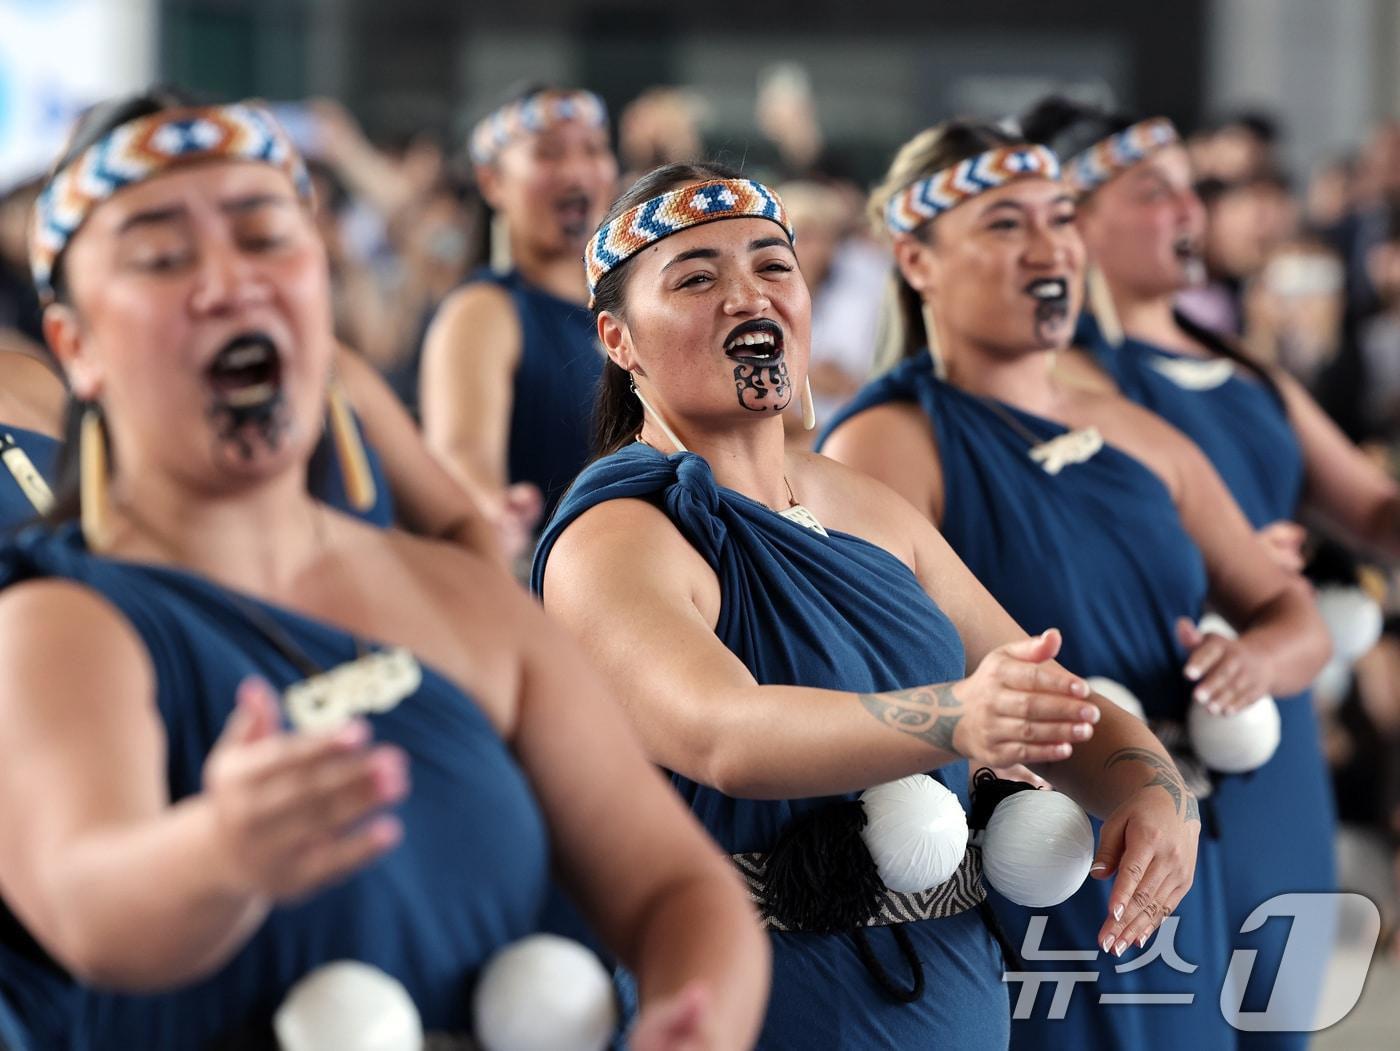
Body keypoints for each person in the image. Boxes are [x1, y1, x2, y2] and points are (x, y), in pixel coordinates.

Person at [0, 95, 769, 1050]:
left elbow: (674, 887)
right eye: (163, 257)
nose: (228, 283)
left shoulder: (459, 598)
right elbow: (88, 903)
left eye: (263, 237)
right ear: (74, 346)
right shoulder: (53, 625)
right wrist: (221, 852)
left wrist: (694, 1018)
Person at [533, 162, 1204, 1049]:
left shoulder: (858, 501)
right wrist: (957, 717)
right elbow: (724, 734)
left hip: (952, 988)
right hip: (757, 1005)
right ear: (620, 340)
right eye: (696, 277)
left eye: (773, 266)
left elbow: (1053, 699)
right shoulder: (615, 534)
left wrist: (1155, 792)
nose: (747, 296)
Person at [819, 121, 1331, 1049]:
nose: (1049, 245)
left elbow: (1293, 612)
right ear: (917, 260)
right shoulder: (885, 441)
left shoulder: (1134, 428)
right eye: (1006, 224)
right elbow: (865, 686)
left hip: (1174, 843)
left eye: (1059, 218)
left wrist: (1250, 660)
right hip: (1041, 862)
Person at [419, 85, 618, 538]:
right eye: (549, 154)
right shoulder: (483, 312)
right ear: (492, 182)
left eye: (593, 150)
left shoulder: (629, 309)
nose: (576, 171)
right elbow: (461, 456)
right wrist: (491, 510)